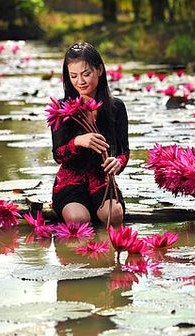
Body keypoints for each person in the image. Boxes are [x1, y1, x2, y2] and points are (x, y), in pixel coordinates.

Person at [51, 42, 129, 225]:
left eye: (86, 74)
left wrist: (117, 163)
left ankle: (108, 253)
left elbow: (124, 150)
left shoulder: (116, 107)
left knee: (113, 216)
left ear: (100, 70)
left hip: (102, 181)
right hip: (70, 182)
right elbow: (58, 155)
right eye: (74, 76)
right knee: (79, 220)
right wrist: (77, 141)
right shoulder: (62, 109)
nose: (80, 81)